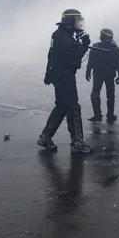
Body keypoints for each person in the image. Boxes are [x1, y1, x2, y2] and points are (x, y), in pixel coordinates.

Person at [38, 8, 94, 153]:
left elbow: (50, 55)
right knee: (74, 108)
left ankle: (45, 137)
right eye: (77, 21)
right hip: (65, 78)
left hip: (59, 76)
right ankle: (77, 143)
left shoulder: (58, 34)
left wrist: (48, 73)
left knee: (62, 107)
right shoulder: (66, 39)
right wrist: (84, 46)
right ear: (70, 21)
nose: (79, 24)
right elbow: (75, 62)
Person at [86, 28, 119, 123]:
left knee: (95, 93)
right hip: (110, 74)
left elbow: (90, 61)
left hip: (98, 73)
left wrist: (88, 71)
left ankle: (97, 115)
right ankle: (110, 115)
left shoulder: (96, 46)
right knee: (110, 95)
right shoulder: (116, 48)